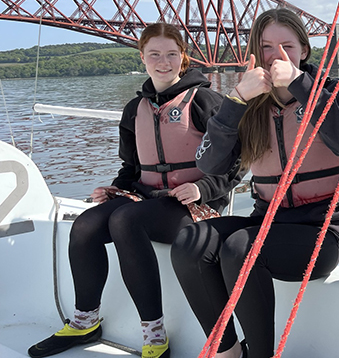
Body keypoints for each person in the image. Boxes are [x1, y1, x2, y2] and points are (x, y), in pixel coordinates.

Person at [27, 23, 243, 358]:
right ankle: (86, 321)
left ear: (183, 58)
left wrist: (204, 187)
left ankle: (154, 335)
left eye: (171, 54)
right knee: (85, 225)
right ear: (142, 56)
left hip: (195, 207)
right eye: (154, 54)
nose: (163, 61)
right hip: (145, 200)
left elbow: (237, 161)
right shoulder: (134, 108)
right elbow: (132, 168)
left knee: (127, 221)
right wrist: (116, 189)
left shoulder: (205, 101)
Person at [170, 8, 339, 358]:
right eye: (268, 47)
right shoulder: (249, 104)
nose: (278, 57)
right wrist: (237, 100)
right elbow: (210, 163)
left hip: (321, 231)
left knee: (240, 248)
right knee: (189, 241)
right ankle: (227, 352)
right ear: (256, 52)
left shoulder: (331, 90)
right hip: (267, 222)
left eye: (287, 46)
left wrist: (301, 85)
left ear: (303, 49)